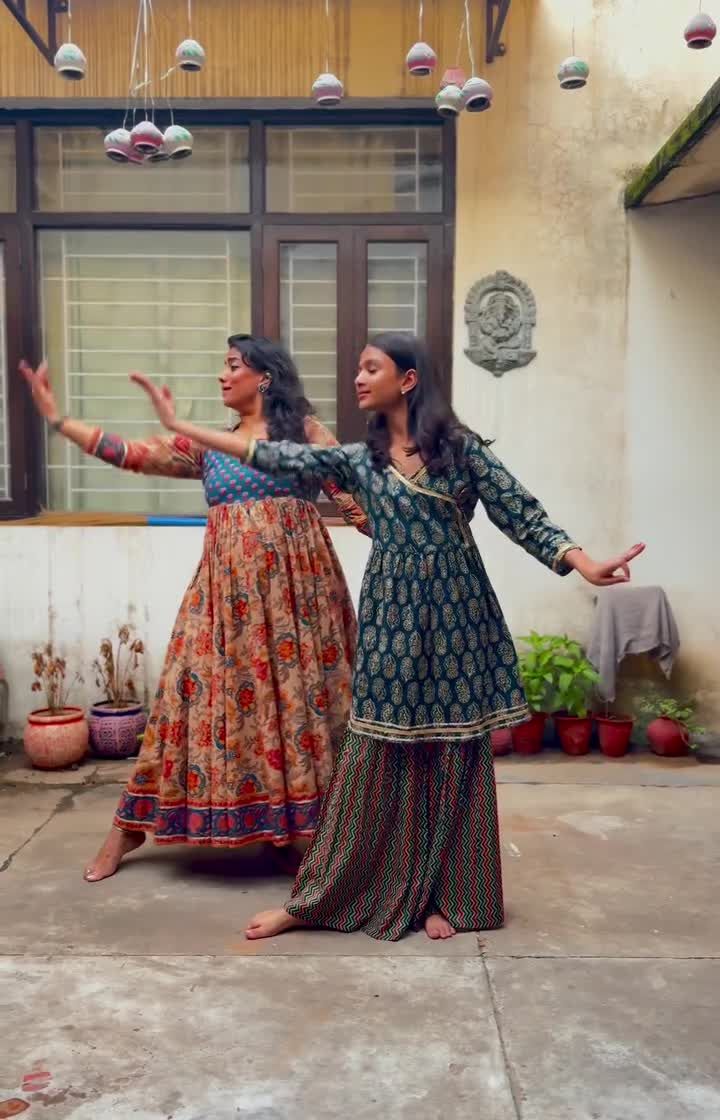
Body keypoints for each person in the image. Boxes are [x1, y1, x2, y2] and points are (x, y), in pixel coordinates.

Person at [115, 332, 644, 940]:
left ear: (408, 380)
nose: (359, 379)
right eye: (358, 369)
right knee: (372, 754)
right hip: (391, 614)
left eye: (372, 368)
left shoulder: (459, 450)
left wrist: (583, 563)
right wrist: (181, 427)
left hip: (458, 614)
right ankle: (317, 898)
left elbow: (520, 511)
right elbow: (274, 457)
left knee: (455, 752)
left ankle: (454, 897)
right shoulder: (359, 460)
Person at [20, 336, 369, 882]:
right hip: (222, 606)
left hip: (298, 609)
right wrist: (59, 421)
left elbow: (357, 499)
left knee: (302, 707)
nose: (222, 376)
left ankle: (292, 832)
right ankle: (128, 828)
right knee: (187, 701)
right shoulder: (209, 446)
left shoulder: (304, 435)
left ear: (265, 377)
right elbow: (131, 453)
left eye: (232, 366)